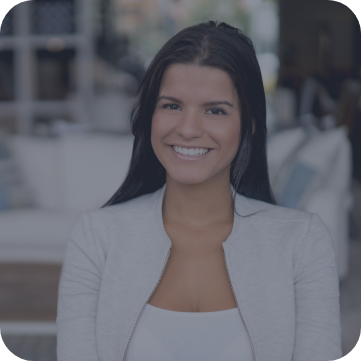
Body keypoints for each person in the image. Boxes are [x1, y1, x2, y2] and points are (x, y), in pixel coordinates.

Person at [57, 21, 342, 361]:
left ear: (249, 121)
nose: (188, 129)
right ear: (150, 114)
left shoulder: (303, 242)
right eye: (171, 106)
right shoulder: (95, 237)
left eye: (215, 110)